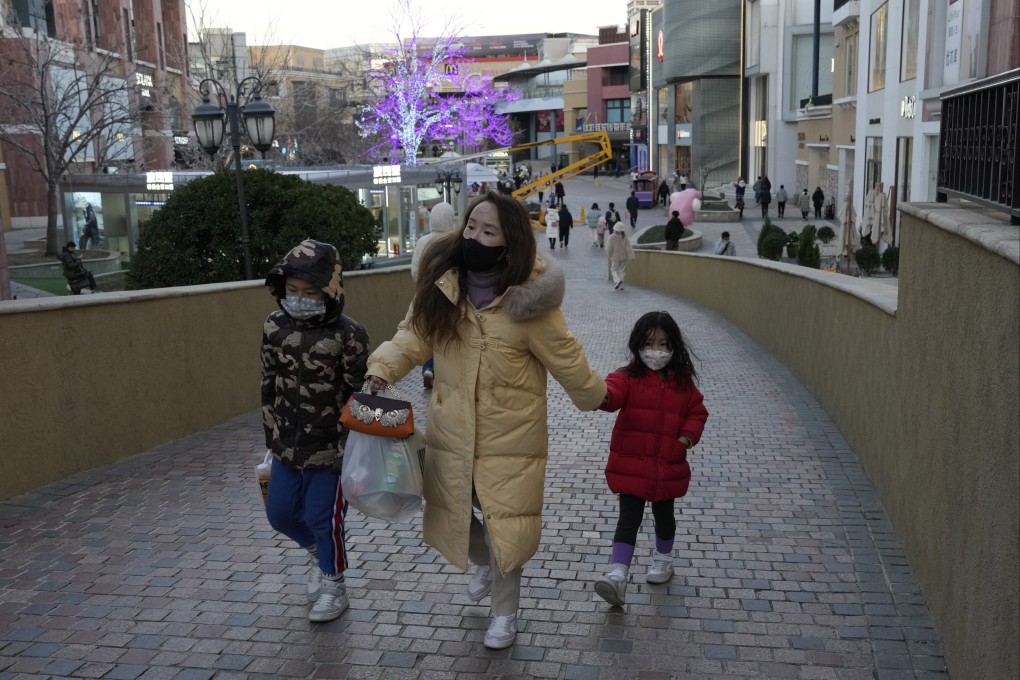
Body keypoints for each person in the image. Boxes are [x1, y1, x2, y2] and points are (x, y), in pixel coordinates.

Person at [363, 191, 607, 650]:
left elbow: (569, 361)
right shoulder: (442, 290)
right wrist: (381, 369)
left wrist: (603, 397)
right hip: (452, 434)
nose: (475, 236)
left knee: (506, 527)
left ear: (509, 242)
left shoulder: (530, 306)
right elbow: (411, 337)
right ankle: (482, 562)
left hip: (510, 442)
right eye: (471, 226)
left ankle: (505, 614)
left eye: (488, 231)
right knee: (453, 511)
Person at [260, 239, 370, 623]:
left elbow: (360, 394)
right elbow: (268, 383)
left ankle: (333, 582)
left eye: (310, 292)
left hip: (331, 449)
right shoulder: (273, 326)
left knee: (324, 518)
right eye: (292, 291)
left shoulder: (349, 334)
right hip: (286, 445)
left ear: (331, 290)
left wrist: (351, 448)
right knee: (280, 514)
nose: (300, 298)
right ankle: (315, 551)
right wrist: (269, 438)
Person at [594, 311, 709, 607]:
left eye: (663, 344)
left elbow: (697, 412)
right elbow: (612, 394)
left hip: (667, 464)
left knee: (664, 517)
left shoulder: (682, 384)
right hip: (633, 463)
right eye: (649, 343)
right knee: (628, 519)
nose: (655, 351)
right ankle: (618, 574)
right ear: (637, 345)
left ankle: (663, 559)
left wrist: (684, 440)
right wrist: (598, 395)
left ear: (673, 348)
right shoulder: (627, 377)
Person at [411, 202, 457, 389]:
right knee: (448, 333)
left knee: (430, 332)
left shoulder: (423, 242)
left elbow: (415, 271)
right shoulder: (454, 241)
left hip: (428, 295)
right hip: (451, 295)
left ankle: (428, 368)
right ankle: (448, 369)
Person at [607, 224, 635, 290]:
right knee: (622, 270)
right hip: (623, 256)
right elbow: (629, 248)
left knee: (613, 270)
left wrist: (610, 255)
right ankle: (621, 285)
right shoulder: (625, 237)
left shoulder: (611, 237)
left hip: (615, 257)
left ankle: (617, 281)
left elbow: (609, 248)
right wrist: (632, 256)